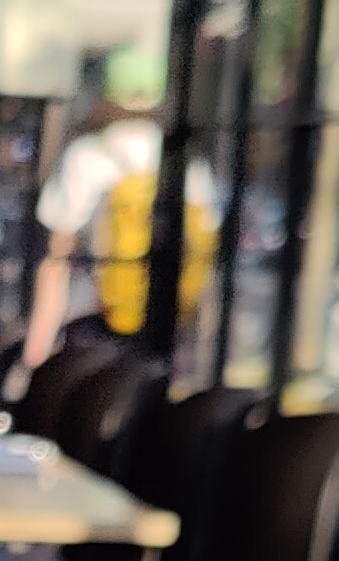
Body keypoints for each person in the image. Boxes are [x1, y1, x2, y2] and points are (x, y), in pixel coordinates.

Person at [22, 45, 217, 367]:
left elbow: (57, 262)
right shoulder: (187, 163)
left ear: (106, 94)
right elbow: (203, 254)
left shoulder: (87, 157)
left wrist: (36, 351)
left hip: (96, 331)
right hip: (164, 335)